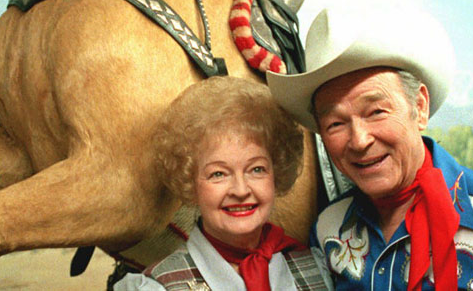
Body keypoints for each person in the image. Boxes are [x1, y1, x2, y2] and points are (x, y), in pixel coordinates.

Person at [267, 4, 473, 290]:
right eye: (336, 123)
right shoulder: (328, 229)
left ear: (419, 107)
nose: (360, 140)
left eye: (376, 111)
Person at [114, 75, 334, 291]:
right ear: (190, 183)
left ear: (276, 174)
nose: (240, 190)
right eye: (218, 174)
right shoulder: (156, 287)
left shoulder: (319, 267)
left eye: (256, 169)